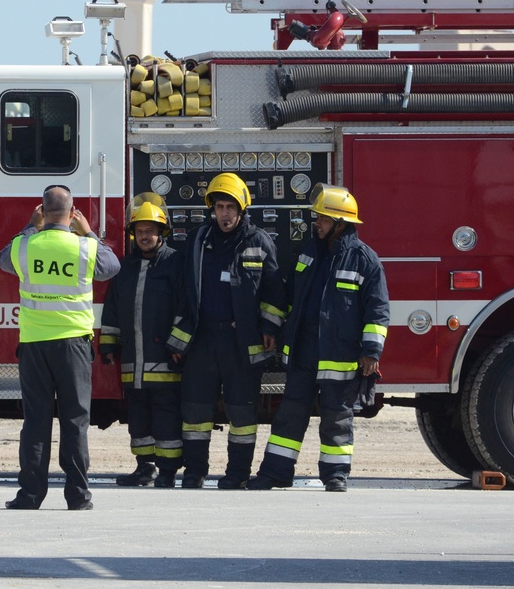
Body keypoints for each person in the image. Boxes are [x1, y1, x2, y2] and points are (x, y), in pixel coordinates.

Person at [248, 184, 389, 492]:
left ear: (340, 223)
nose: (317, 223)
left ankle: (336, 474)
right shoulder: (309, 252)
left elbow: (377, 312)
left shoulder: (364, 261)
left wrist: (371, 352)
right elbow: (291, 296)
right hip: (303, 350)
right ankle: (276, 472)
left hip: (340, 354)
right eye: (318, 218)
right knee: (290, 413)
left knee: (336, 416)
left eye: (323, 219)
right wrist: (273, 327)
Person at [0, 184, 120, 510]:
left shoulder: (26, 246)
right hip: (73, 345)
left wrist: (29, 227)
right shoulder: (84, 248)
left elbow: (2, 260)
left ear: (41, 210)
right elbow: (112, 267)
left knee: (36, 421)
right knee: (75, 420)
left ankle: (30, 495)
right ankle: (78, 496)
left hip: (34, 344)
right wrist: (90, 232)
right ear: (72, 212)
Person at [168, 173, 286, 489]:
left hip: (241, 341)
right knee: (195, 413)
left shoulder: (259, 241)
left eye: (230, 207)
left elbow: (274, 291)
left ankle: (237, 475)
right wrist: (179, 340)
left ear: (242, 209)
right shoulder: (197, 240)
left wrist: (269, 327)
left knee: (243, 413)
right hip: (202, 339)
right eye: (219, 207)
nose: (224, 214)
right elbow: (185, 293)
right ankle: (194, 473)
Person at [100, 199, 184, 488]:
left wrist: (178, 345)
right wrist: (108, 343)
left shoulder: (176, 264)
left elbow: (187, 308)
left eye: (151, 230)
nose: (145, 236)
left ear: (163, 233)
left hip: (164, 357)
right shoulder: (126, 267)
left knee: (166, 416)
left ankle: (169, 470)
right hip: (132, 360)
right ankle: (144, 467)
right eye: (140, 231)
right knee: (138, 416)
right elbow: (112, 308)